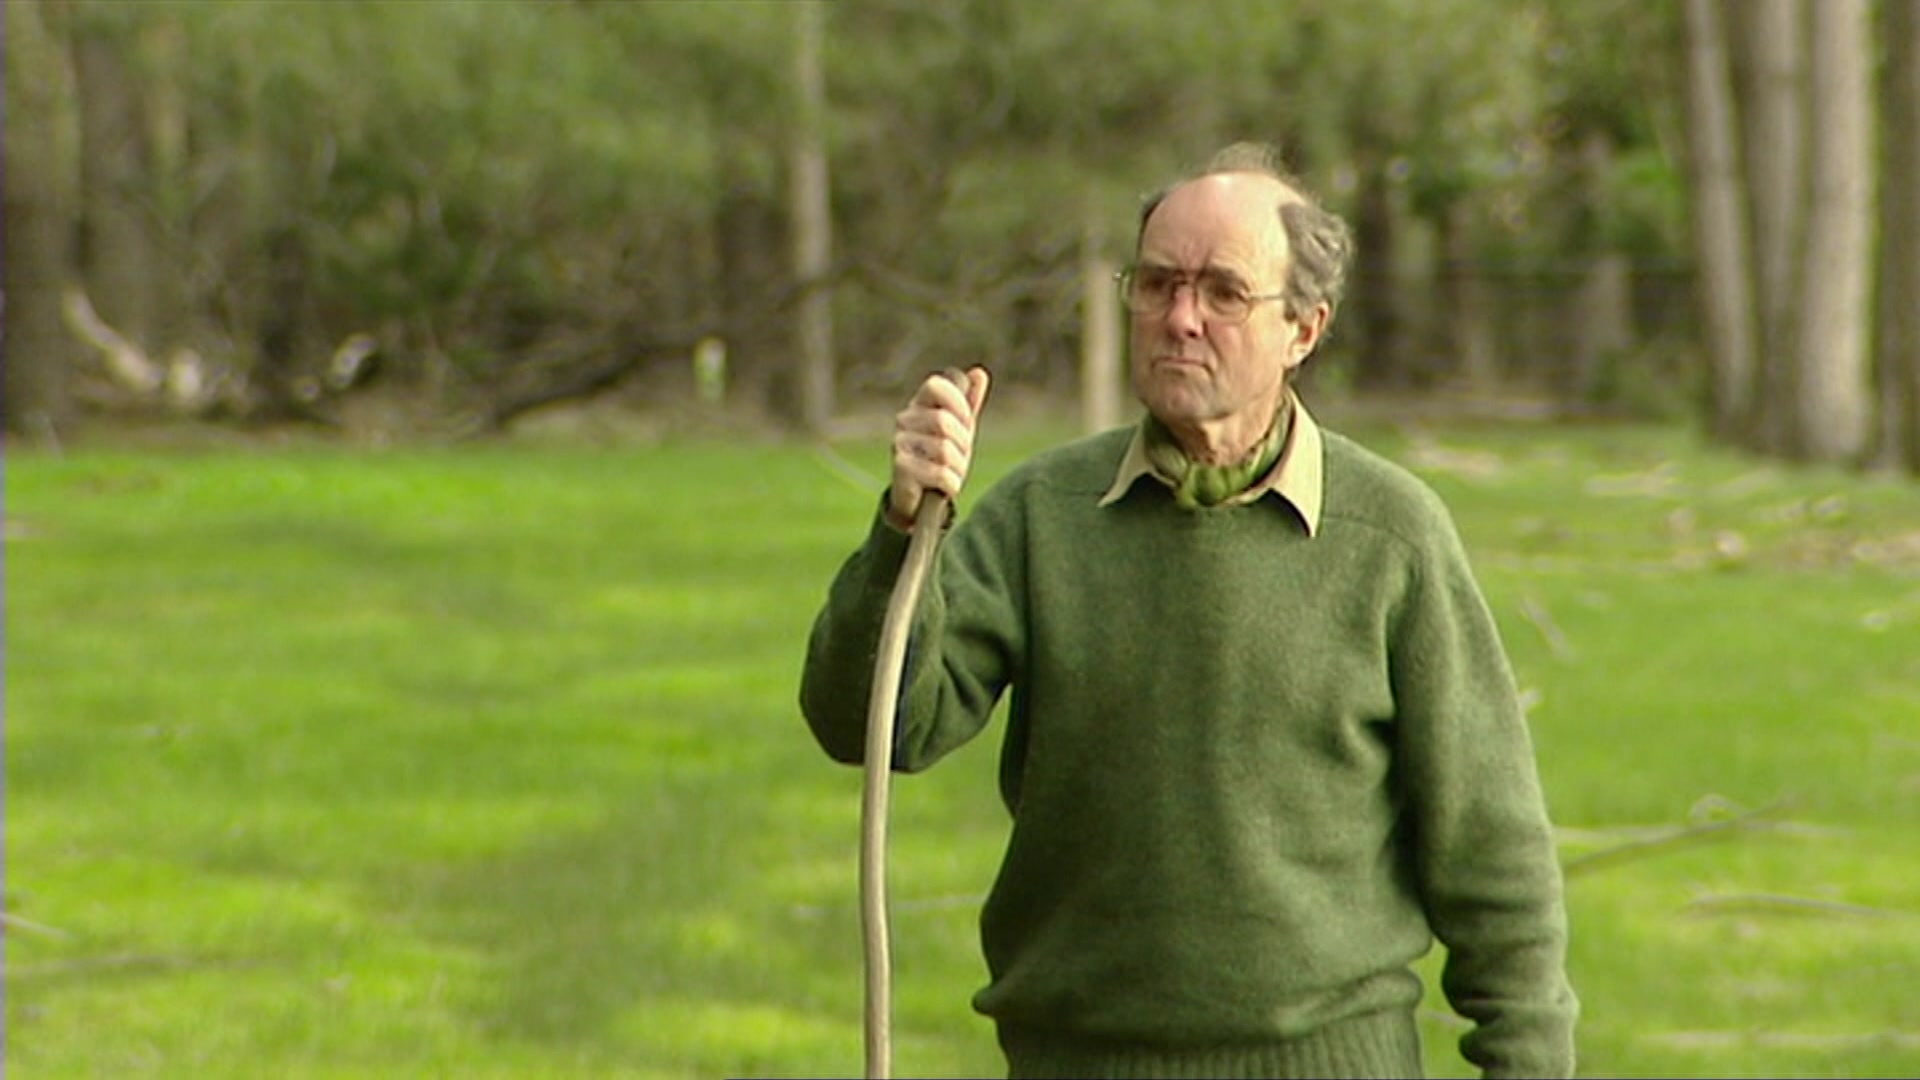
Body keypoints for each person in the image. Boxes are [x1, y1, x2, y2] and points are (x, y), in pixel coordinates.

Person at [799, 141, 1578, 1079]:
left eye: (1223, 292)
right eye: (1158, 283)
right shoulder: (1042, 516)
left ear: (1303, 329)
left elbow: (1494, 855)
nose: (1180, 317)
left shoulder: (1391, 537)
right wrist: (903, 526)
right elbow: (872, 724)